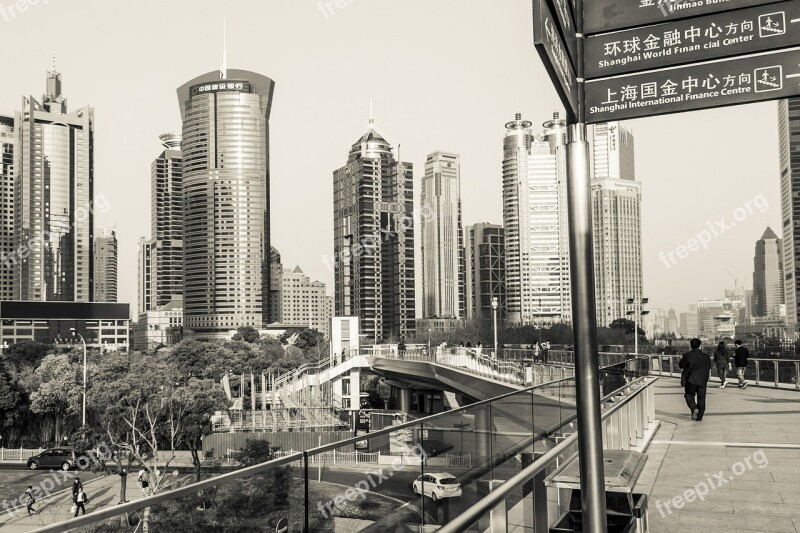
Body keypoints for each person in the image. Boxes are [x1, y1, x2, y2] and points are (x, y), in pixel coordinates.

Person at [679, 338, 711, 421]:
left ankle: (694, 408)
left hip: (691, 380)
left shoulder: (687, 355)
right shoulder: (706, 357)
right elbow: (708, 368)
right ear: (700, 345)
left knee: (688, 395)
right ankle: (699, 417)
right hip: (702, 380)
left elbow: (681, 365)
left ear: (691, 346)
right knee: (701, 398)